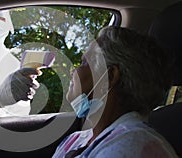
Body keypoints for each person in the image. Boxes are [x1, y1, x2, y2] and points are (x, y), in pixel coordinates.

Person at [52, 26, 178, 157]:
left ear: (109, 76)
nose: (74, 70)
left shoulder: (130, 146)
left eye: (84, 63)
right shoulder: (77, 139)